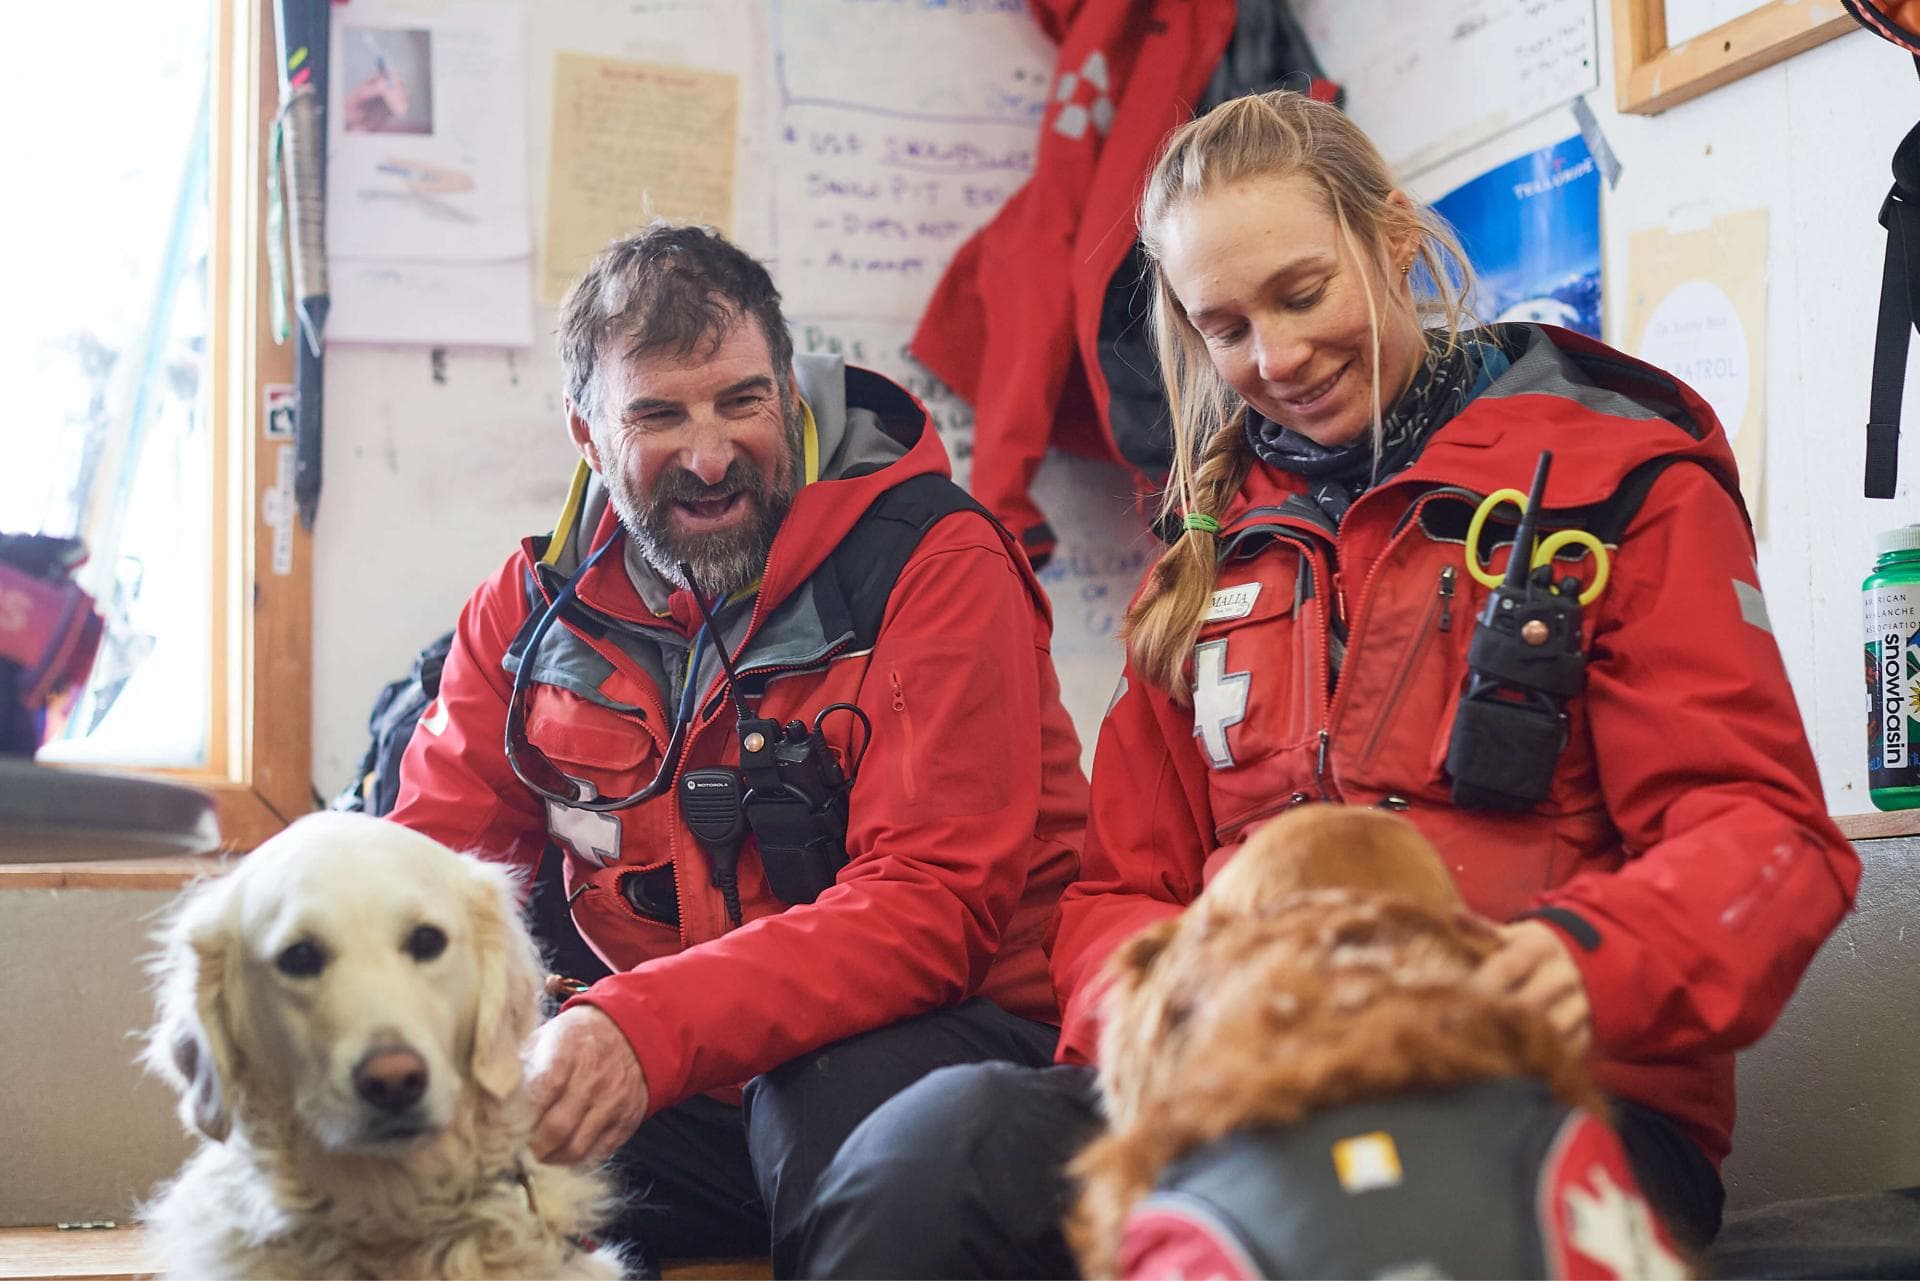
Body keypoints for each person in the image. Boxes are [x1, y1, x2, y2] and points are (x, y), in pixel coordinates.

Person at [794, 89, 1860, 1278]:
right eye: (1226, 327)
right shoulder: (1203, 556)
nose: (1276, 357)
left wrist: (1577, 965)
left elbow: (1766, 839)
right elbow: (1109, 903)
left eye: (1302, 295)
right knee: (926, 1157)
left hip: (1550, 1087)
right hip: (1249, 1084)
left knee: (1349, 1219)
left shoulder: (1620, 483)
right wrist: (1178, 1012)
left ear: (1394, 238)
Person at [386, 223, 1088, 1275]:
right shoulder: (524, 615)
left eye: (741, 402)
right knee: (443, 1150)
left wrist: (643, 1028)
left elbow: (933, 906)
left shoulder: (935, 563)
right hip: (688, 1070)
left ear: (791, 397)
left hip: (957, 1045)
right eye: (660, 415)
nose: (710, 454)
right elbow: (425, 892)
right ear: (587, 436)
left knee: (822, 1097)